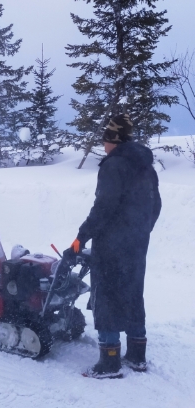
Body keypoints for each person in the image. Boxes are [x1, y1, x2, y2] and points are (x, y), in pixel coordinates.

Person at [71, 113, 162, 379]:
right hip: (137, 243)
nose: (103, 146)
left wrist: (80, 238)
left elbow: (103, 208)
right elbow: (155, 205)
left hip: (111, 245)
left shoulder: (113, 166)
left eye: (105, 141)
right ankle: (136, 355)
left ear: (113, 141)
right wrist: (141, 231)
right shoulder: (146, 167)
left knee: (107, 297)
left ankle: (109, 362)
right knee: (133, 293)